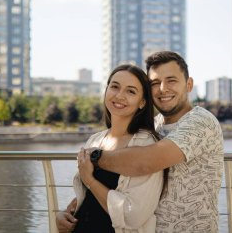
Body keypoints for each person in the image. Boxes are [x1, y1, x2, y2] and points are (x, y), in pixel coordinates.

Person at [94, 51, 224, 232]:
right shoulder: (155, 125)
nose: (163, 88)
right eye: (155, 83)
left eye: (171, 80)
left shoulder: (200, 121)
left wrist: (94, 159)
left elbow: (144, 162)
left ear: (189, 84)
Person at [56, 64, 163, 233]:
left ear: (142, 102)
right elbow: (88, 199)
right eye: (114, 87)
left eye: (131, 91)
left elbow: (132, 216)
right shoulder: (96, 140)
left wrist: (91, 181)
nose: (119, 95)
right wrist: (64, 215)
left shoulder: (146, 145)